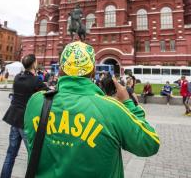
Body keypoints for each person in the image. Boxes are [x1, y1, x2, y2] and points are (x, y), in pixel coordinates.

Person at [24, 41, 159, 177]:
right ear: (93, 71)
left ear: (60, 69)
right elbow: (149, 144)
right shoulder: (112, 109)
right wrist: (128, 104)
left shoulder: (36, 102)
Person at [0, 54, 47, 178]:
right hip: (25, 122)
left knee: (10, 154)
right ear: (34, 64)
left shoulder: (17, 77)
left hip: (14, 119)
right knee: (33, 155)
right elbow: (48, 92)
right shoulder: (36, 80)